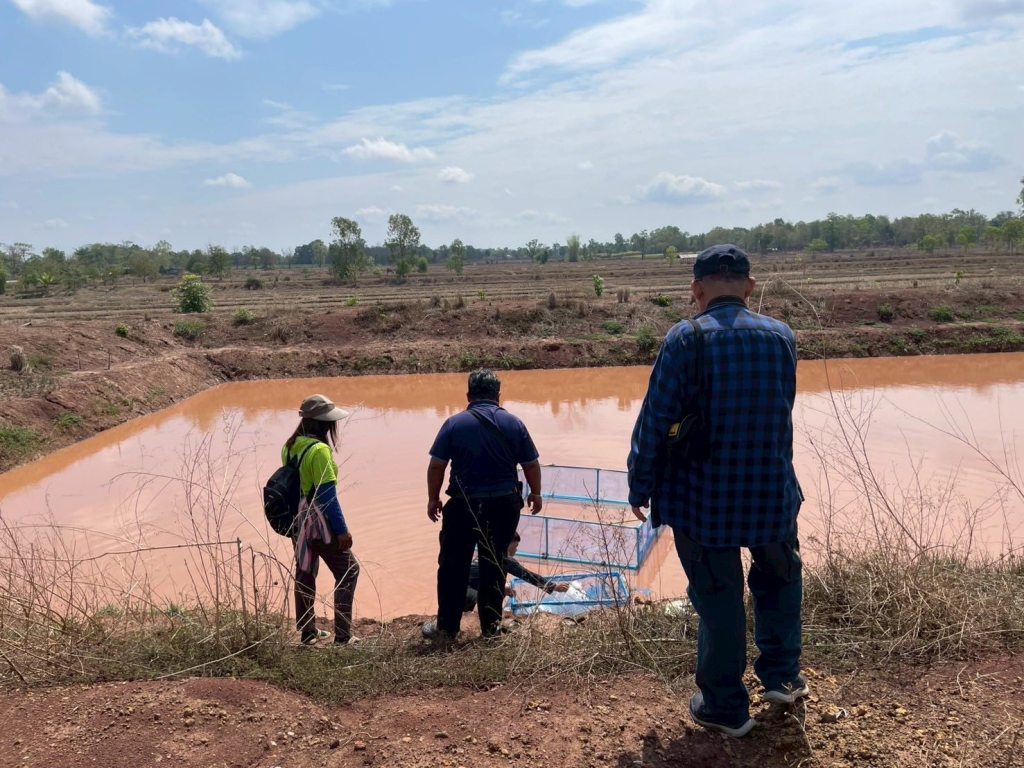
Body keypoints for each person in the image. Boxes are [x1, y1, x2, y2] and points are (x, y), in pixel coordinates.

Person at [627, 244, 806, 738]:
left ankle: (725, 707)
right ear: (749, 286)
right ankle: (783, 678)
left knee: (719, 596)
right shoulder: (782, 336)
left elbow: (656, 419)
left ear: (696, 289)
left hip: (704, 500)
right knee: (780, 581)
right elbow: (782, 410)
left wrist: (640, 483)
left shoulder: (686, 339)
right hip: (772, 492)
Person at [425, 369, 544, 639]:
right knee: (495, 563)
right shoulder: (514, 423)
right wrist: (536, 493)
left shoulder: (454, 424)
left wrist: (433, 498)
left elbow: (436, 466)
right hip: (504, 506)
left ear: (469, 395)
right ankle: (491, 630)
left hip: (464, 506)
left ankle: (447, 628)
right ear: (498, 395)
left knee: (453, 565)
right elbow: (531, 464)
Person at [283, 394, 359, 646]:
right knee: (349, 570)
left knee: (305, 571)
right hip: (319, 522)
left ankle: (308, 632)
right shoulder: (319, 451)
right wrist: (342, 531)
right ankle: (343, 636)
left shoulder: (290, 446)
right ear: (323, 423)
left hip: (298, 521)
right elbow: (327, 497)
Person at [423, 532, 570, 635]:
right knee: (486, 602)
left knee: (492, 594)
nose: (516, 549)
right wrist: (553, 586)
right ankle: (487, 629)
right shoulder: (505, 559)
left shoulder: (487, 553)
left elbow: (481, 577)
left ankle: (453, 625)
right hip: (464, 592)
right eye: (515, 546)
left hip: (456, 588)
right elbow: (528, 575)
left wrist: (502, 587)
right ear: (507, 544)